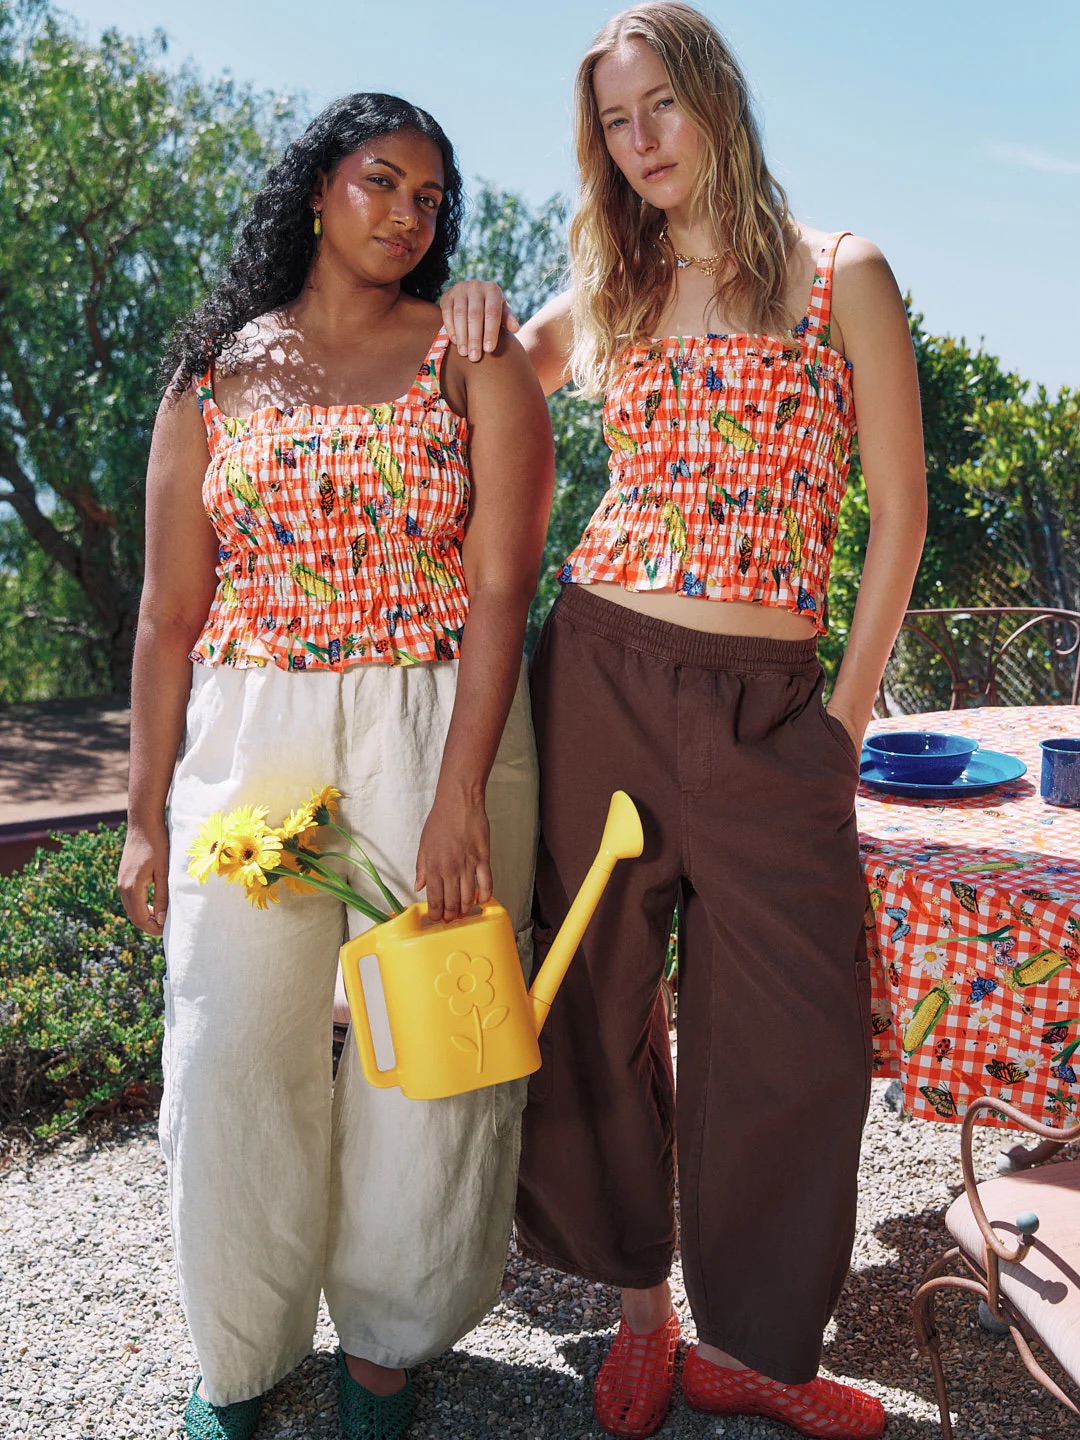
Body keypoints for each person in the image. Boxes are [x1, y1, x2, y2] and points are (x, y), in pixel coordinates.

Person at [441, 5, 926, 1437]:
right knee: (590, 1004)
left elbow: (897, 515)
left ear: (714, 101)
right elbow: (499, 381)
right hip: (599, 672)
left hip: (775, 713)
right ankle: (644, 1323)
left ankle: (765, 1352)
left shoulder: (844, 276)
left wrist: (838, 721)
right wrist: (471, 310)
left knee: (794, 1036)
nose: (638, 140)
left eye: (659, 105)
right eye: (613, 120)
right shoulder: (613, 287)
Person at [118, 92, 554, 1440]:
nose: (409, 215)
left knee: (432, 1062)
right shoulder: (211, 376)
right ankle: (240, 1354)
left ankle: (391, 1345)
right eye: (382, 182)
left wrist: (456, 799)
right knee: (228, 1048)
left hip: (439, 721)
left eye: (431, 198)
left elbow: (500, 590)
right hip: (251, 733)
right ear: (317, 190)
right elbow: (165, 613)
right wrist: (143, 818)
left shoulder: (468, 353)